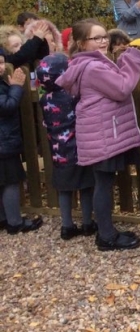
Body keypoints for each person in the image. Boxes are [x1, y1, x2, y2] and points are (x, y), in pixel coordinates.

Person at [56, 19, 140, 251]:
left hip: (101, 131)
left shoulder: (90, 63)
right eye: (96, 38)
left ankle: (107, 231)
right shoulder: (94, 67)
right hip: (103, 133)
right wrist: (132, 59)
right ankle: (106, 236)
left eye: (104, 36)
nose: (103, 41)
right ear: (82, 43)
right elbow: (122, 88)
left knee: (103, 182)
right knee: (103, 184)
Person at [35, 53, 96, 240]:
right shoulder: (73, 95)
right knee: (86, 186)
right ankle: (87, 223)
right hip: (79, 148)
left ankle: (66, 225)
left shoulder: (45, 99)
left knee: (64, 189)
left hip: (58, 151)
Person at [0, 48, 43, 234]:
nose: (1, 67)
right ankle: (15, 222)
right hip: (4, 142)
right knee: (10, 181)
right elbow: (7, 106)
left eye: (2, 62)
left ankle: (3, 218)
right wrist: (16, 87)